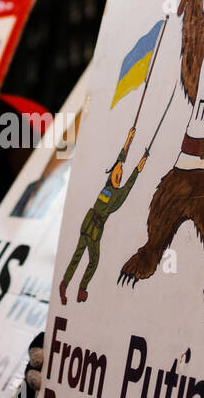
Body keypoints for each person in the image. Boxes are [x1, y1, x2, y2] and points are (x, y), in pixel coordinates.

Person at [59, 126, 146, 304]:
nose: (119, 174)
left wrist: (138, 167)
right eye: (117, 171)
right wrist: (129, 138)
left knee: (92, 260)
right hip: (89, 224)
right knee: (78, 256)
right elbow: (121, 158)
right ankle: (65, 284)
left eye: (120, 174)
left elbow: (129, 183)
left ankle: (81, 288)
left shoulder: (117, 195)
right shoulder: (108, 184)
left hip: (95, 228)